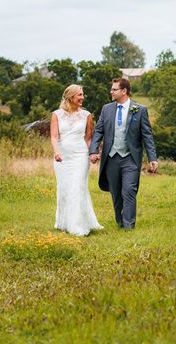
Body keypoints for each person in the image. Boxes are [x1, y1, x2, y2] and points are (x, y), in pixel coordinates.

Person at [89, 78, 158, 230]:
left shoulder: (139, 110)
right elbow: (99, 130)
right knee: (116, 193)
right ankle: (120, 222)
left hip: (130, 159)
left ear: (124, 91)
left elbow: (147, 136)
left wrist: (152, 158)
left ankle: (128, 226)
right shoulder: (106, 109)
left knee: (129, 190)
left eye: (114, 89)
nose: (111, 92)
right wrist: (93, 150)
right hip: (111, 158)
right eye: (112, 89)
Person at [50, 84, 104, 236]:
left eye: (82, 94)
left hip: (80, 156)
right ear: (70, 97)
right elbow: (54, 136)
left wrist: (92, 153)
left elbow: (88, 138)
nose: (82, 97)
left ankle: (77, 226)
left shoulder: (86, 115)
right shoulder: (56, 114)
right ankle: (63, 221)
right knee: (65, 188)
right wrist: (56, 152)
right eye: (79, 95)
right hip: (62, 158)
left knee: (78, 186)